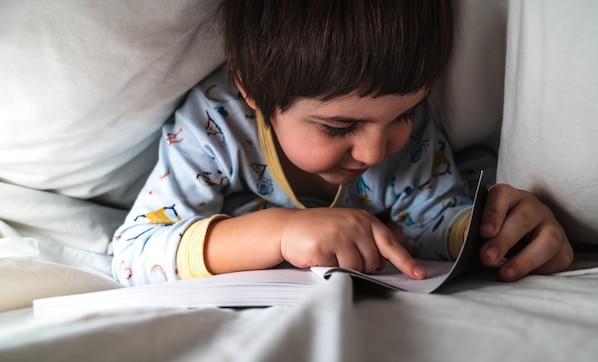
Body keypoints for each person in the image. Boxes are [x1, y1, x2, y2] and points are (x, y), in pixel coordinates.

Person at [112, 0, 572, 286]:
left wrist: (497, 232)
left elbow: (435, 217)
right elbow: (134, 252)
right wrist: (281, 233)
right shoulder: (214, 124)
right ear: (252, 89)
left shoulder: (396, 124)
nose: (376, 153)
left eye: (405, 115)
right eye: (337, 128)